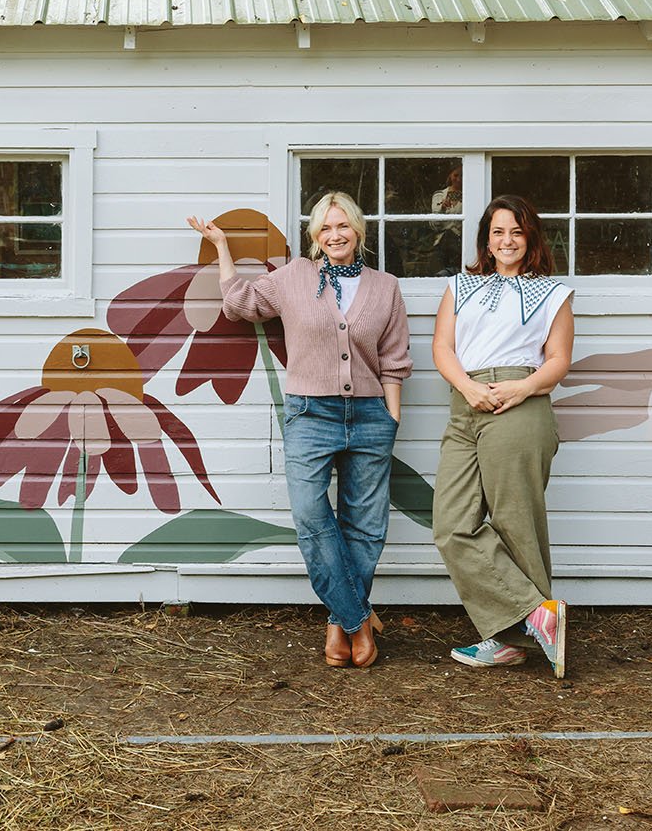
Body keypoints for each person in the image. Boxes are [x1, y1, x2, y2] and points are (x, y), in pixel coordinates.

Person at [188, 192, 412, 668]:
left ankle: (337, 622)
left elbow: (394, 361)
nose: (335, 235)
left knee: (366, 526)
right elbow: (238, 303)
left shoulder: (385, 287)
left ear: (358, 231)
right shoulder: (294, 278)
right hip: (310, 413)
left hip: (372, 414)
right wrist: (223, 246)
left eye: (343, 226)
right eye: (326, 228)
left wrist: (392, 417)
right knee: (312, 517)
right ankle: (356, 619)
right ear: (315, 235)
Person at [431, 195, 575, 678]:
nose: (507, 240)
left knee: (516, 522)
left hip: (521, 400)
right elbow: (442, 347)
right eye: (498, 232)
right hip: (465, 401)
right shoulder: (461, 284)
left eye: (516, 231)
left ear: (530, 236)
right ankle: (535, 613)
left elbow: (557, 360)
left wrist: (521, 388)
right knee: (452, 525)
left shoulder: (552, 292)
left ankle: (509, 641)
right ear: (486, 240)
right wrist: (469, 388)